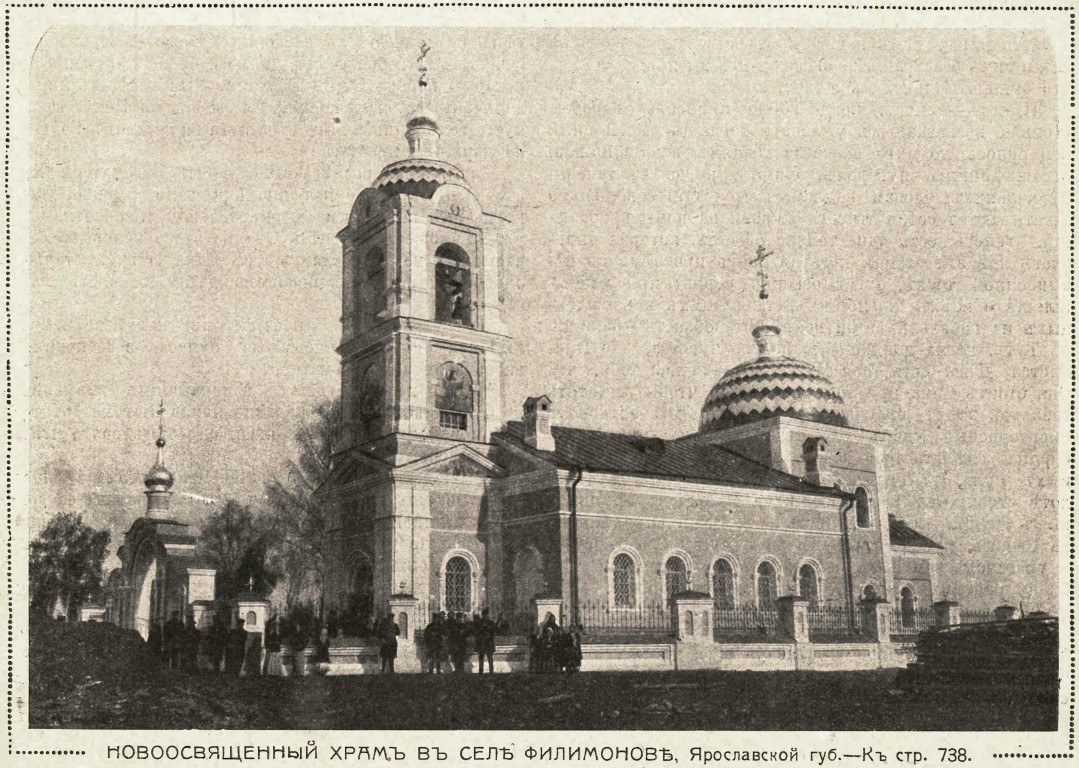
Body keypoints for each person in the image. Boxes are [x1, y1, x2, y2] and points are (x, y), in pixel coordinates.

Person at [474, 608, 496, 674]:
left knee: (490, 658)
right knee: (481, 657)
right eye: (484, 615)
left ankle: (491, 671)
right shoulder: (479, 623)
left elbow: (493, 632)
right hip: (481, 642)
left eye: (486, 615)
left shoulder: (491, 623)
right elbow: (476, 632)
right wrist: (482, 627)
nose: (485, 616)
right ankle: (481, 671)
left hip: (488, 642)